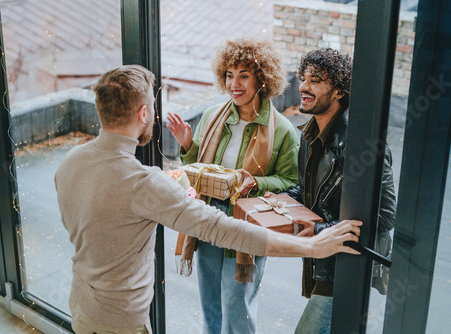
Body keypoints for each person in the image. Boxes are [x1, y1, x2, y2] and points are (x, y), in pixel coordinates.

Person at [55, 64, 362, 334]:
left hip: (81, 307)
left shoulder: (70, 161)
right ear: (144, 114)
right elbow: (222, 228)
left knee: (235, 306)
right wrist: (310, 245)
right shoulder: (144, 183)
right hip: (120, 322)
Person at [167, 37, 300, 333]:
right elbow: (198, 170)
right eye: (229, 75)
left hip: (247, 225)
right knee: (211, 300)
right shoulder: (211, 117)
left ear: (262, 79)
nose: (234, 84)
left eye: (244, 75)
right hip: (209, 220)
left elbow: (291, 183)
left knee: (237, 307)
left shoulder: (283, 131)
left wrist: (257, 181)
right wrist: (188, 145)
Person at [284, 48, 397, 334]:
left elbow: (385, 216)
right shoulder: (310, 134)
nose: (304, 87)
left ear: (338, 91)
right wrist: (277, 201)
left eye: (316, 80)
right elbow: (311, 191)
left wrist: (322, 230)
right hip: (323, 257)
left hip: (349, 265)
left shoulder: (362, 142)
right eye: (303, 77)